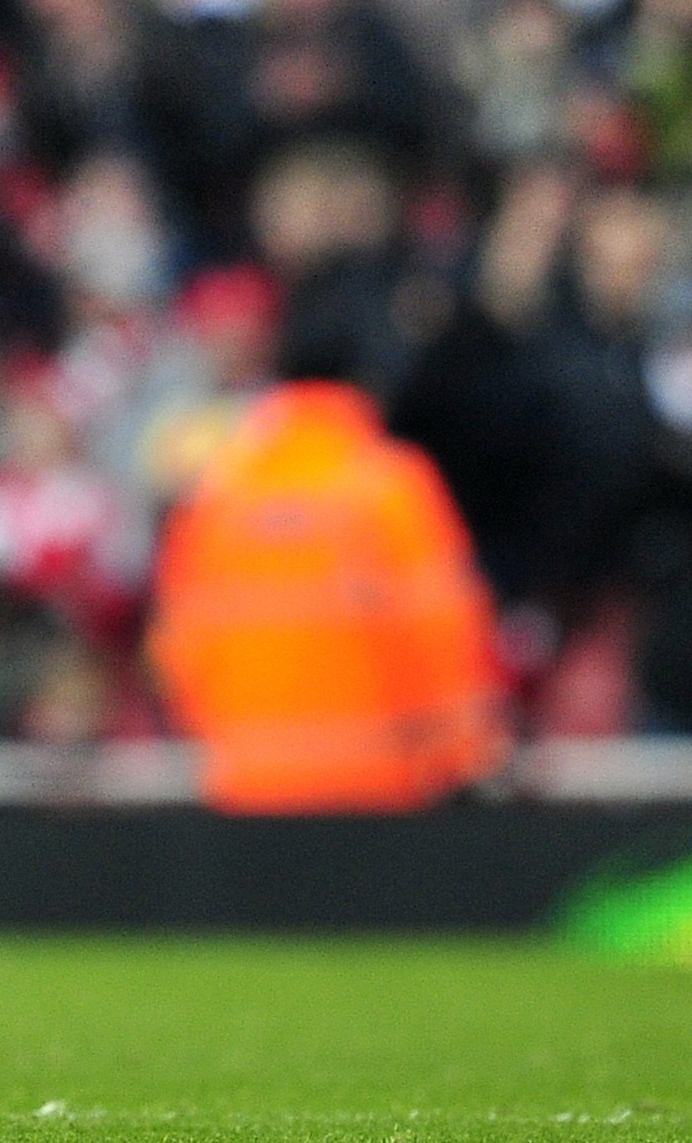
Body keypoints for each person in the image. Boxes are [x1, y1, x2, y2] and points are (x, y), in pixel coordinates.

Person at [148, 284, 508, 812]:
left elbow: (177, 650)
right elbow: (445, 638)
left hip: (247, 791)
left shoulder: (220, 492)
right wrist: (465, 761)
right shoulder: (390, 486)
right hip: (376, 792)